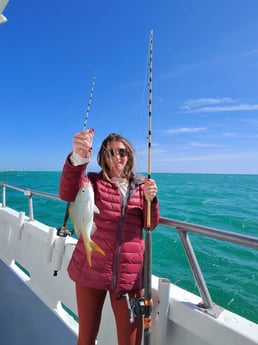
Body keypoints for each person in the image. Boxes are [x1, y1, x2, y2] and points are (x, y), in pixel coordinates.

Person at [59, 128, 160, 345]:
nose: (117, 157)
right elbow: (67, 192)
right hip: (90, 268)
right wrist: (78, 157)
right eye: (110, 153)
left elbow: (149, 225)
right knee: (86, 337)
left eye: (122, 152)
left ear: (129, 155)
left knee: (130, 341)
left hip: (128, 276)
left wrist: (152, 200)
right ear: (103, 157)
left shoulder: (141, 186)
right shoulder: (92, 183)